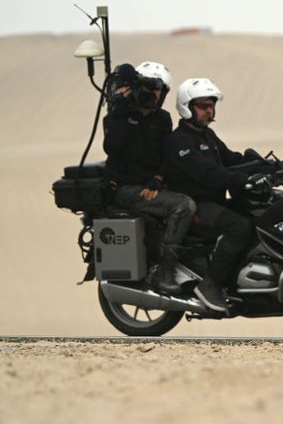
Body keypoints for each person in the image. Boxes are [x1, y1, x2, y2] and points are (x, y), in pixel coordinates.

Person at [164, 78, 270, 313]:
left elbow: (232, 160)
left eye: (211, 105)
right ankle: (210, 285)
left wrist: (269, 167)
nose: (209, 110)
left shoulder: (207, 136)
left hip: (215, 203)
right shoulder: (180, 141)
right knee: (239, 227)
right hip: (196, 206)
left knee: (259, 216)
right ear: (187, 108)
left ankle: (239, 281)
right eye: (203, 106)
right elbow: (208, 173)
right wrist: (243, 180)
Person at [102, 61, 197, 294]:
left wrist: (158, 177)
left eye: (157, 89)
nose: (151, 93)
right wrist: (121, 107)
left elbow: (167, 155)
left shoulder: (162, 119)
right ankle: (165, 273)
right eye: (147, 87)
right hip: (125, 188)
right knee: (184, 206)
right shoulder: (117, 116)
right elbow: (112, 148)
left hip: (151, 185)